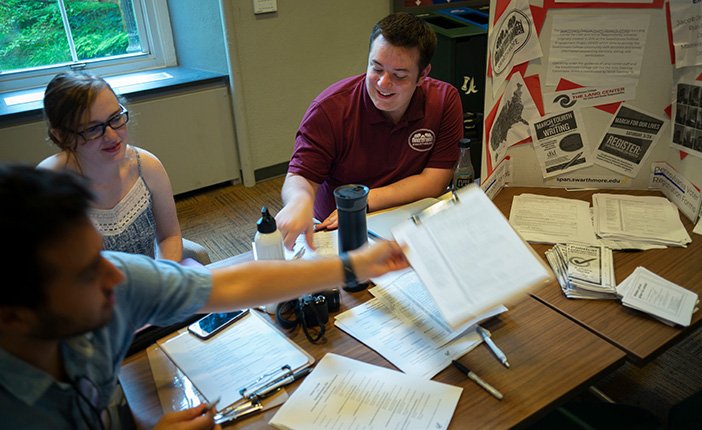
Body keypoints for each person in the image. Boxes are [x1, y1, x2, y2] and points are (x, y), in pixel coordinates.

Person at [0, 165, 408, 429]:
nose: (115, 274)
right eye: (88, 272)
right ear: (15, 317)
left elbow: (232, 284)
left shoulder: (111, 281)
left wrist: (354, 265)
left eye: (101, 254)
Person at [276, 12, 463, 250]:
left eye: (399, 75)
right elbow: (299, 177)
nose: (383, 83)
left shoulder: (444, 100)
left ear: (423, 75)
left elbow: (435, 180)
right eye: (376, 69)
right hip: (340, 225)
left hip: (409, 217)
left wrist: (364, 200)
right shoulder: (330, 109)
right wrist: (299, 201)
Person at [38, 71, 194, 262]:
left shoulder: (147, 167)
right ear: (61, 136)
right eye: (93, 128)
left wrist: (161, 280)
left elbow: (169, 236)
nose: (112, 136)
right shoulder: (47, 186)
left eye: (115, 119)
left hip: (147, 285)